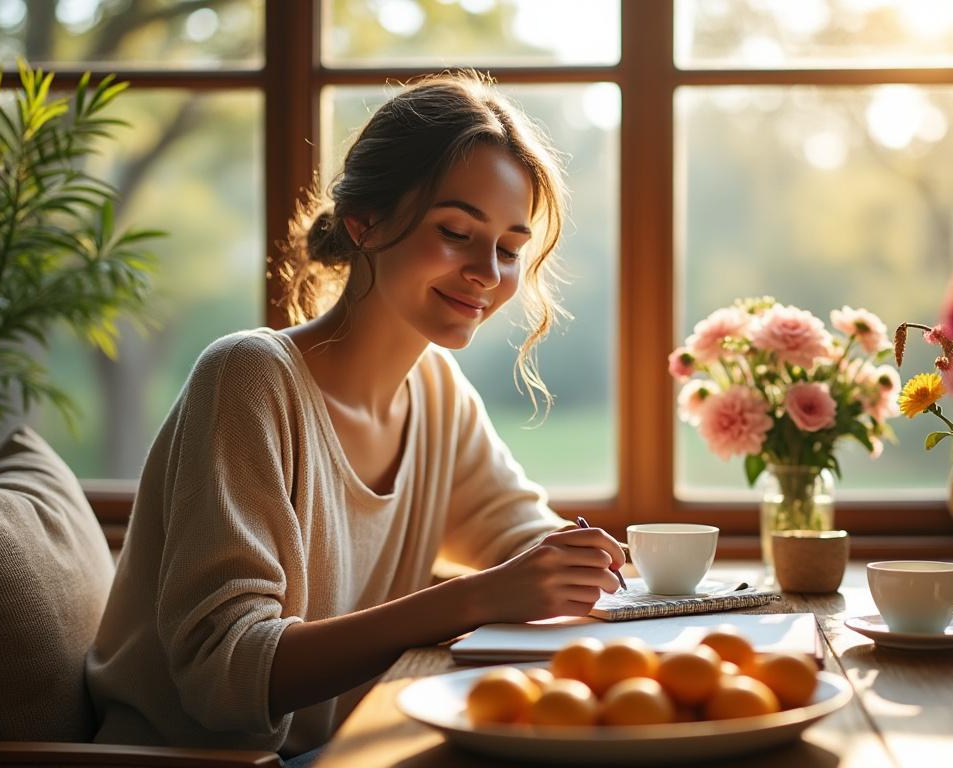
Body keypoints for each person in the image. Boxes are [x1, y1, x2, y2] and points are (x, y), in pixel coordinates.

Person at [85, 72, 625, 763]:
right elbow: (223, 675)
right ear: (363, 220)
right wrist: (475, 599)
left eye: (510, 248)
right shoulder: (247, 379)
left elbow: (518, 537)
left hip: (349, 750)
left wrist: (607, 566)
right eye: (457, 231)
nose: (488, 272)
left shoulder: (436, 391)